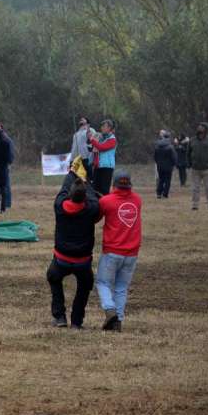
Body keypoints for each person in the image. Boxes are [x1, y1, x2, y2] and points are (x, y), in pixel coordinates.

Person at [47, 170, 102, 328]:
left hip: (61, 260)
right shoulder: (91, 208)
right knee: (85, 285)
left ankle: (59, 317)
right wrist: (85, 181)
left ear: (69, 195)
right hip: (82, 262)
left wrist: (71, 173)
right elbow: (92, 197)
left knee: (53, 277)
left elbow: (64, 189)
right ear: (85, 197)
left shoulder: (59, 206)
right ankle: (76, 322)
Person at [96, 169, 142, 331]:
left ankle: (110, 309)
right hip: (132, 253)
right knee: (121, 287)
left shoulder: (106, 201)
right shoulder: (137, 200)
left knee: (103, 283)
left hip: (112, 251)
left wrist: (99, 200)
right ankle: (118, 321)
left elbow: (97, 217)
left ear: (113, 184)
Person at [189, 123, 208, 211]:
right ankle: (195, 205)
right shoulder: (192, 140)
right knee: (195, 188)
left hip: (207, 169)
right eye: (199, 126)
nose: (199, 128)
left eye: (202, 127)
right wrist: (190, 164)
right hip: (195, 169)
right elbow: (188, 153)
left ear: (205, 129)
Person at [89, 120, 118, 196]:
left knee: (104, 189)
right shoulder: (101, 138)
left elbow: (102, 147)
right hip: (98, 166)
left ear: (109, 128)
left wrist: (92, 140)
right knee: (95, 189)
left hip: (107, 167)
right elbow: (94, 149)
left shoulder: (112, 139)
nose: (102, 128)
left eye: (104, 126)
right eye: (102, 126)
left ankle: (105, 206)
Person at [152, 130, 177, 200]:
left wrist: (158, 163)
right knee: (167, 180)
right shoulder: (170, 147)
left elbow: (155, 157)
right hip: (168, 166)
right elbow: (174, 157)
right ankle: (165, 194)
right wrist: (174, 164)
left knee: (161, 180)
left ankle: (159, 193)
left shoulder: (157, 146)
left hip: (160, 166)